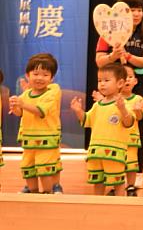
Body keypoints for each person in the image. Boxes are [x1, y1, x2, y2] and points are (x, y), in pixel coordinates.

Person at [96, 0, 143, 189]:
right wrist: (113, 55)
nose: (136, 13)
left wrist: (128, 56)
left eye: (139, 9)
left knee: (139, 130)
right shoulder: (107, 34)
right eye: (131, 10)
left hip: (140, 88)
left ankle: (138, 172)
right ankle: (117, 169)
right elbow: (99, 61)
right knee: (115, 126)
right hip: (114, 89)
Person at [69, 63, 133, 196]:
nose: (102, 84)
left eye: (106, 80)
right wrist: (78, 111)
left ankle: (120, 202)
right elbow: (87, 120)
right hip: (96, 151)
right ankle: (97, 201)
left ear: (120, 83)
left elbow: (128, 122)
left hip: (114, 151)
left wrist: (122, 109)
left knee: (117, 181)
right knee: (98, 180)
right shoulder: (97, 105)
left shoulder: (123, 104)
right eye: (99, 81)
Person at [9, 53, 61, 194]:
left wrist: (22, 104)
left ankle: (48, 192)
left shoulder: (52, 93)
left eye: (45, 75)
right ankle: (33, 191)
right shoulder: (26, 94)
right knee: (28, 168)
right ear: (28, 75)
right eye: (36, 73)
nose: (39, 78)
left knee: (44, 168)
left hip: (46, 139)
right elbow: (20, 113)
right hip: (29, 140)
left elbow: (40, 111)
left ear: (52, 78)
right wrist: (15, 107)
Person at [122, 65, 143, 197]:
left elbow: (140, 117)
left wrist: (137, 110)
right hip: (116, 138)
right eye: (124, 77)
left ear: (135, 81)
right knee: (117, 163)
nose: (127, 80)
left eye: (130, 77)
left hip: (131, 138)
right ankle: (118, 185)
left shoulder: (139, 99)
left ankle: (131, 185)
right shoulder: (113, 98)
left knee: (131, 162)